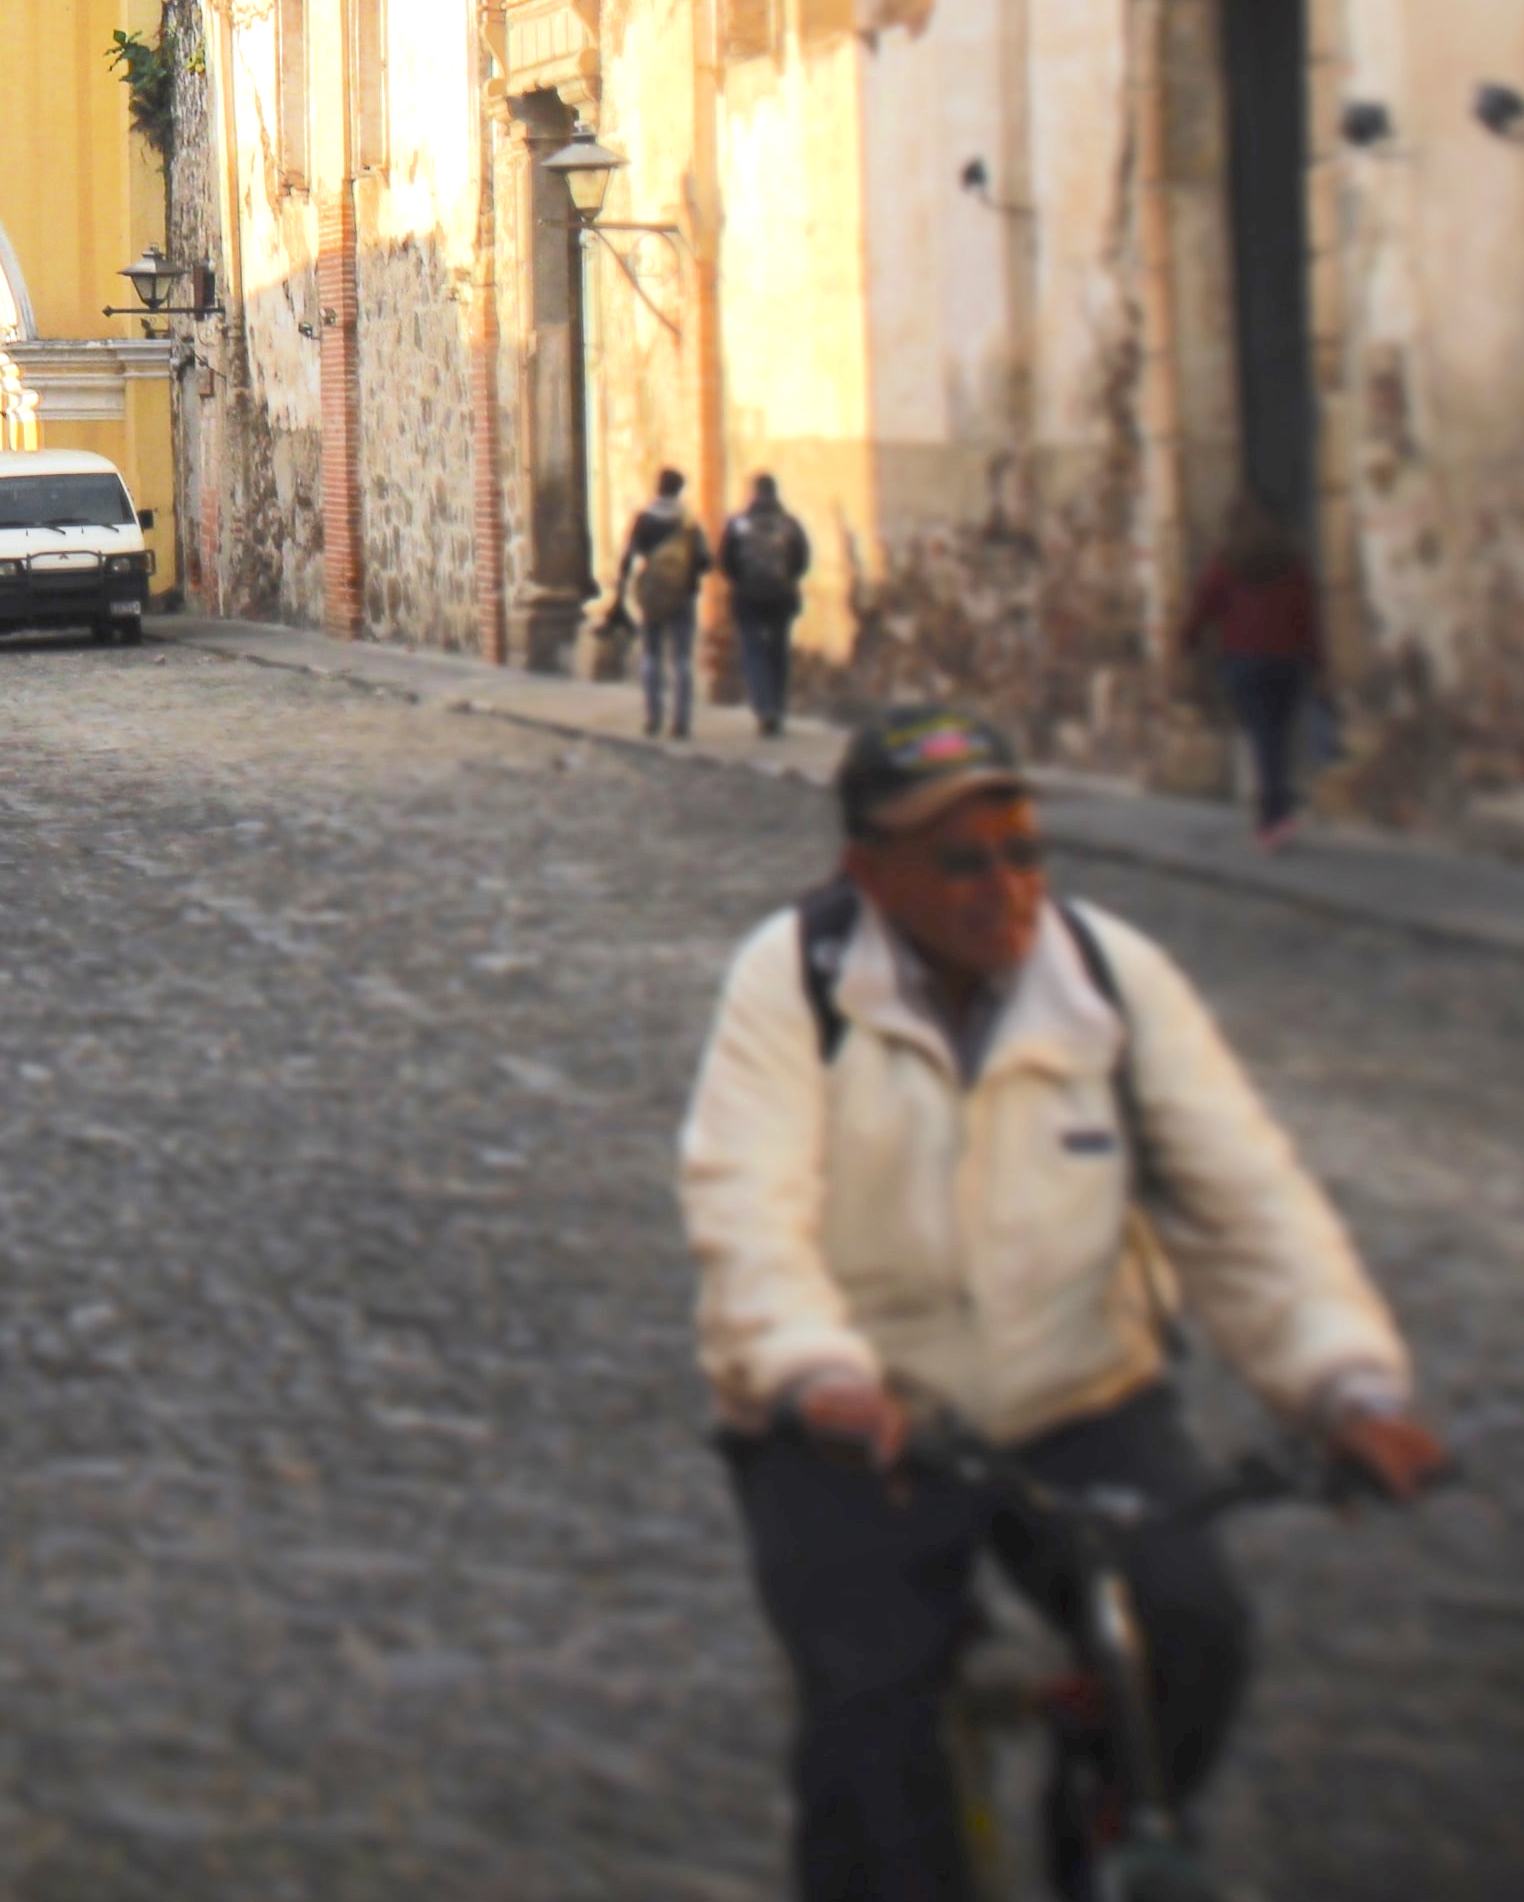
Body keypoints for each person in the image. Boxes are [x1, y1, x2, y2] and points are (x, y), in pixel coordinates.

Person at [681, 703, 1447, 1902]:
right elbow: (745, 1203)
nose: (1001, 884)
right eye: (959, 858)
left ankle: (1099, 1836)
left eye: (1022, 848)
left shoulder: (1106, 977)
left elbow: (1244, 1200)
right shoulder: (793, 982)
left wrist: (1345, 1382)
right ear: (866, 872)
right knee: (872, 1754)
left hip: (1076, 1389)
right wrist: (811, 1368)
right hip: (862, 1412)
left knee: (1189, 1629)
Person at [1182, 497, 1325, 849]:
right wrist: (1317, 661)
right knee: (1277, 736)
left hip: (1244, 661)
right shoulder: (1293, 562)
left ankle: (1272, 817)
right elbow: (1307, 614)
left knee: (1263, 736)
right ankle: (1279, 808)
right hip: (1287, 661)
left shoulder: (1227, 562)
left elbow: (1204, 604)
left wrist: (1187, 639)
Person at [607, 467, 708, 738]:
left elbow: (628, 556)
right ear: (679, 489)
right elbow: (705, 560)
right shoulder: (688, 521)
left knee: (651, 655)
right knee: (682, 659)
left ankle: (653, 717)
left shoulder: (645, 519)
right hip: (682, 596)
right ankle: (681, 721)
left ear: (658, 487)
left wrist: (621, 590)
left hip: (653, 595)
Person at [719, 472, 814, 736]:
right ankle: (779, 707)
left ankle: (764, 708)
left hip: (747, 596)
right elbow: (802, 560)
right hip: (782, 596)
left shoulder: (739, 524)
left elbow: (726, 560)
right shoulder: (789, 524)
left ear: (754, 492)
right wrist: (788, 580)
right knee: (779, 651)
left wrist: (740, 582)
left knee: (753, 651)